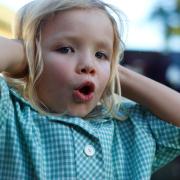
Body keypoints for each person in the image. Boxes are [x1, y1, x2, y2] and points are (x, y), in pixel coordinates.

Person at [0, 0, 180, 179]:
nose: (88, 65)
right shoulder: (10, 116)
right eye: (65, 49)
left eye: (101, 55)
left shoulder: (130, 129)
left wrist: (119, 76)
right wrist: (21, 53)